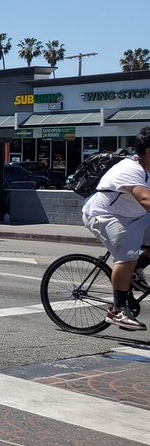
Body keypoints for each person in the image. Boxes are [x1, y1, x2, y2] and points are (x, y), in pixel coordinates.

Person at [81, 127, 150, 331]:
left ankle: (135, 271)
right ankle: (117, 310)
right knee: (127, 256)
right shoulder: (130, 170)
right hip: (105, 215)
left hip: (134, 215)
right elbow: (145, 199)